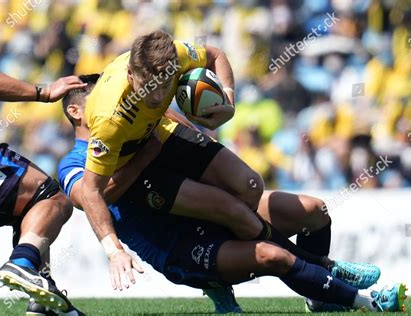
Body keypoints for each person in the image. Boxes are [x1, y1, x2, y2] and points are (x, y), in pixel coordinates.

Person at [56, 74, 407, 313]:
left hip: (213, 210)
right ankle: (358, 297)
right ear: (76, 111)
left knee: (314, 211)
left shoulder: (134, 126)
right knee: (276, 257)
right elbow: (92, 197)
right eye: (97, 98)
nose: (110, 102)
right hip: (178, 247)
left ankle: (320, 297)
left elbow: (183, 130)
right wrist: (148, 154)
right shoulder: (72, 164)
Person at [80, 30, 365, 290]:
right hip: (139, 166)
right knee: (226, 206)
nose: (156, 95)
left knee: (251, 185)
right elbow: (92, 191)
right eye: (148, 86)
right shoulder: (110, 117)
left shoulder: (176, 55)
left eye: (164, 85)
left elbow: (216, 55)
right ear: (130, 73)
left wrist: (228, 100)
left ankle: (239, 253)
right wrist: (114, 250)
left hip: (162, 134)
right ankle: (312, 270)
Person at [0, 0, 86, 313]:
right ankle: (24, 263)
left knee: (24, 207)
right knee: (51, 198)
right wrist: (42, 92)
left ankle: (43, 297)